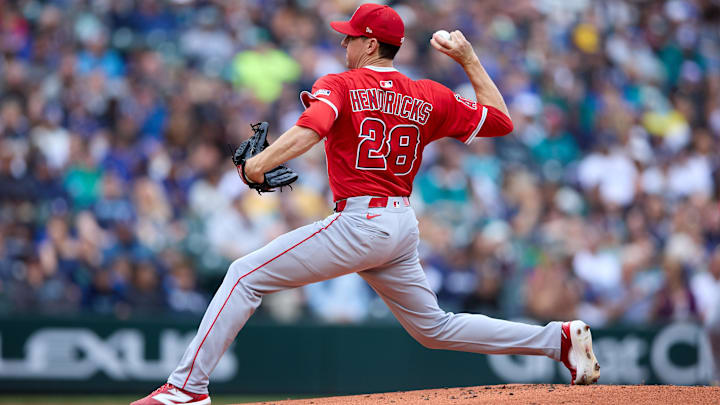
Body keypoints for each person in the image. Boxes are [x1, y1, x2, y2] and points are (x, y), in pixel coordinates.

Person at [132, 4, 600, 404]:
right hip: (399, 225)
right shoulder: (428, 94)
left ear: (372, 45)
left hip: (361, 222)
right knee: (434, 328)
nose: (345, 45)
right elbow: (499, 120)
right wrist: (469, 59)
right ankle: (556, 340)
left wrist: (258, 166)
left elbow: (313, 127)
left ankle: (186, 389)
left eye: (351, 38)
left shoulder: (342, 83)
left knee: (243, 275)